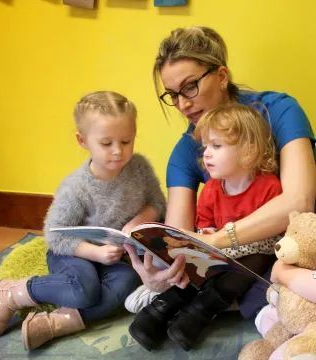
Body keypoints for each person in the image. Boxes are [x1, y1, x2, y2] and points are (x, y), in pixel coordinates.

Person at [124, 26, 316, 350]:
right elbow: (179, 233)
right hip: (240, 256)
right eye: (172, 95)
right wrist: (168, 268)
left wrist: (215, 239)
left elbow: (300, 200)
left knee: (277, 286)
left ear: (222, 75)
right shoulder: (185, 152)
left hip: (295, 239)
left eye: (190, 88)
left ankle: (227, 301)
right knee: (242, 286)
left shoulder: (280, 110)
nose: (182, 104)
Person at [0, 91, 166, 350]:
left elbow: (158, 203)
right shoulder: (75, 187)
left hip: (113, 256)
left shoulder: (140, 168)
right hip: (74, 253)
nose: (118, 151)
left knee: (128, 281)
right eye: (106, 143)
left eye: (126, 140)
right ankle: (15, 291)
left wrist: (138, 220)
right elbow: (55, 237)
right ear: (83, 140)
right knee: (84, 288)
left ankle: (57, 322)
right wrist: (96, 254)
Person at [129, 103, 283, 351]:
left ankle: (201, 311)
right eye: (206, 146)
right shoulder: (212, 188)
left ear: (248, 150)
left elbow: (275, 232)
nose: (206, 154)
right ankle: (160, 309)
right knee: (196, 265)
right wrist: (207, 232)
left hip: (252, 257)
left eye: (217, 146)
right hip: (219, 255)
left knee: (253, 262)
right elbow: (204, 223)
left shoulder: (269, 186)